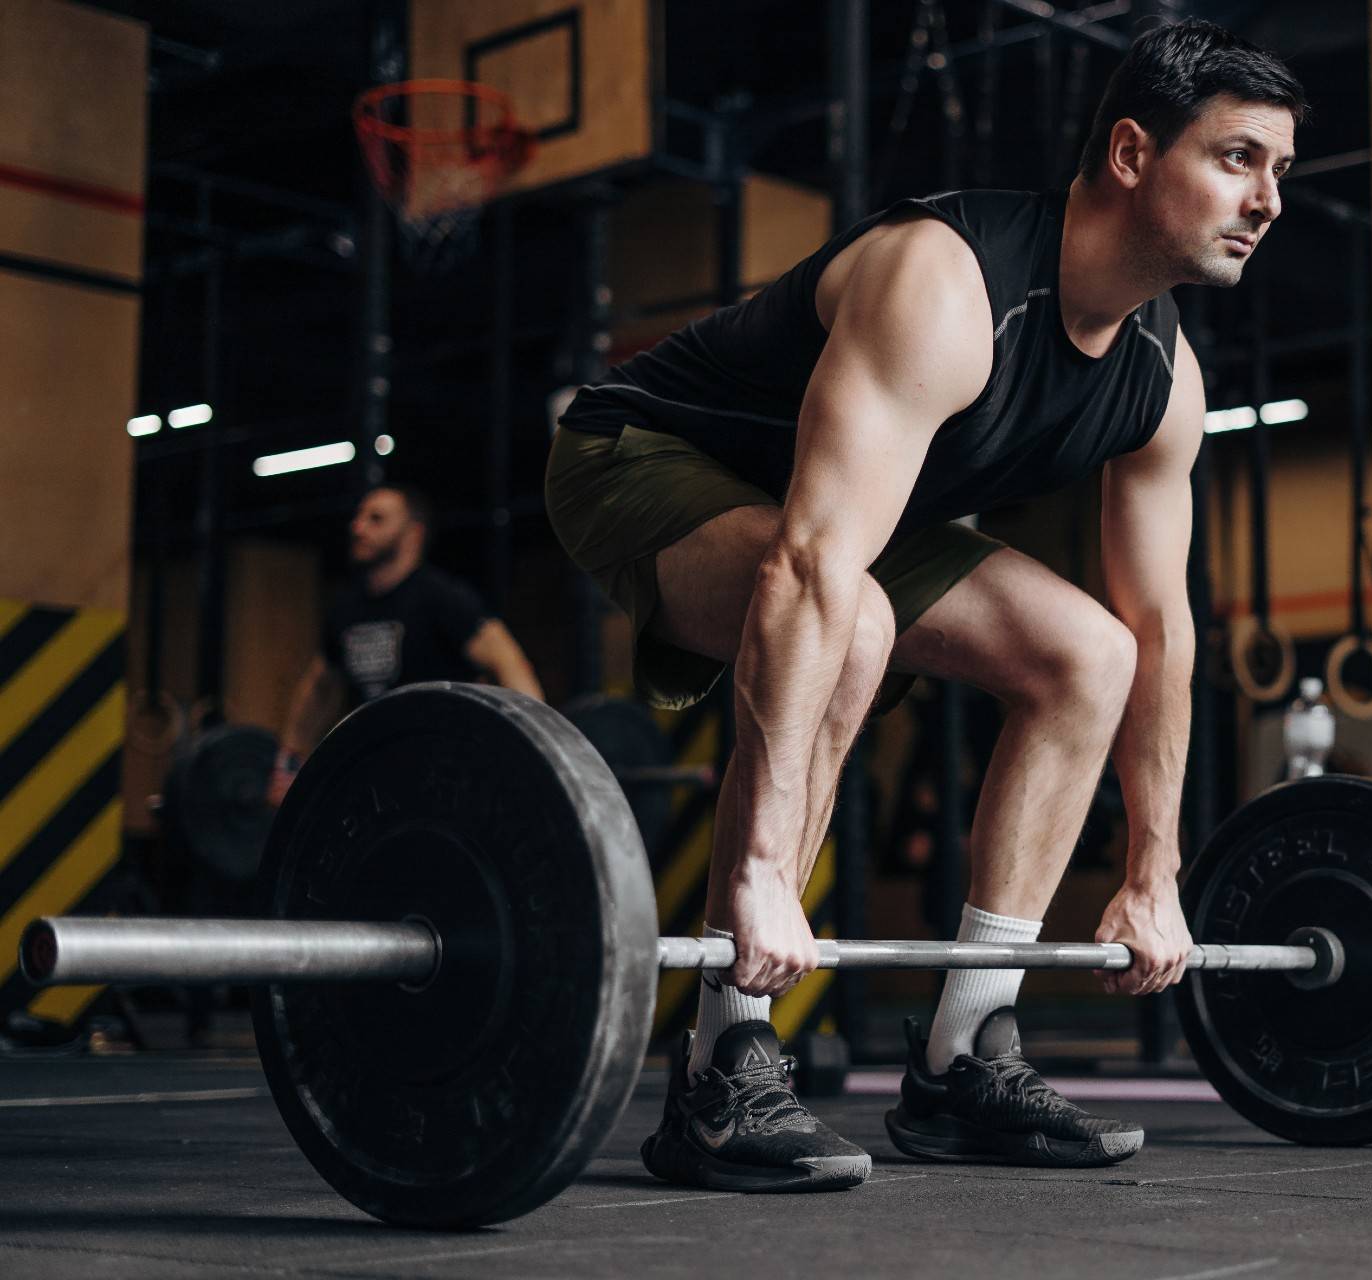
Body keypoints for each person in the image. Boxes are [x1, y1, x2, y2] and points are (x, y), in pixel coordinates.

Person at [546, 19, 1303, 1191]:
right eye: (1238, 158)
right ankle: (722, 1065)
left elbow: (1161, 632)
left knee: (1088, 655)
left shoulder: (1165, 381)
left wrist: (1155, 869)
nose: (1266, 199)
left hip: (842, 523)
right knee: (850, 616)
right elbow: (808, 567)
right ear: (1129, 153)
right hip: (640, 456)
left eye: (1279, 173)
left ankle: (965, 1057)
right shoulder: (946, 283)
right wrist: (757, 867)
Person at [270, 484, 544, 801]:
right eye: (358, 517)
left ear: (413, 534)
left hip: (442, 772)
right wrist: (287, 765)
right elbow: (320, 687)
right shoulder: (346, 609)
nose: (358, 527)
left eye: (376, 519)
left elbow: (507, 660)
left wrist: (534, 747)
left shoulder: (441, 598)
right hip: (373, 769)